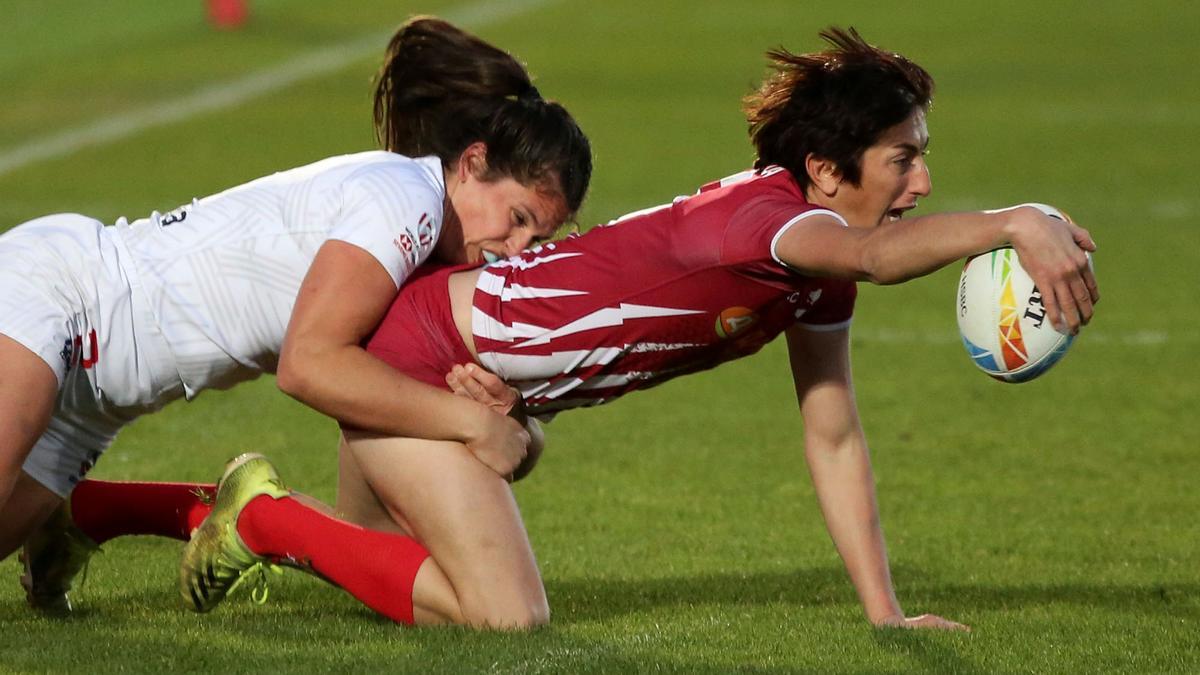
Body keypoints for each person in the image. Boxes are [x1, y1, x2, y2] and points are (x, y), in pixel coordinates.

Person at [28, 27, 1097, 630]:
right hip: (419, 357)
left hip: (459, 376)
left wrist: (884, 615)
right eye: (904, 158)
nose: (922, 179)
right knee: (503, 619)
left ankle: (133, 510)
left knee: (381, 573)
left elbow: (833, 434)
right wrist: (1017, 221)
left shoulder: (814, 270)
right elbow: (872, 252)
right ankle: (254, 520)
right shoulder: (778, 224)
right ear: (826, 171)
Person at [4, 15, 592, 613]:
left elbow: (437, 433)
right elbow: (308, 365)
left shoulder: (429, 258)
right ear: (470, 164)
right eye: (516, 218)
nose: (516, 250)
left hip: (95, 409)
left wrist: (510, 416)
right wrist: (471, 424)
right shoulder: (408, 201)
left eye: (535, 240)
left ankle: (83, 514)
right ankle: (244, 515)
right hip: (64, 297)